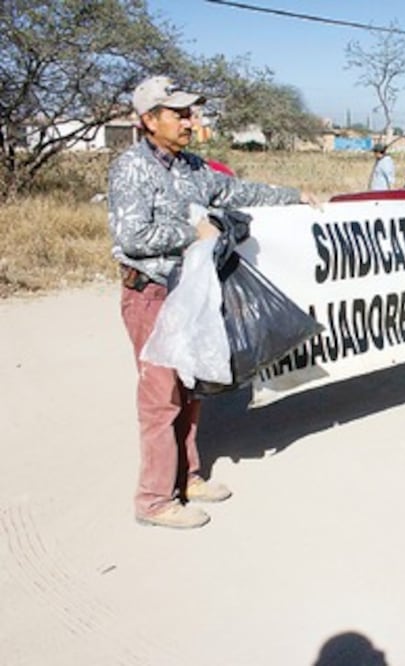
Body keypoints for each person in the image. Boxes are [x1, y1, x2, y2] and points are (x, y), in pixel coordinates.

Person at [107, 75, 317, 529]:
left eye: (190, 113)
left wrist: (293, 197)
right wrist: (194, 232)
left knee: (191, 388)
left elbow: (237, 192)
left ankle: (188, 477)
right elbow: (132, 236)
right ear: (150, 120)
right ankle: (154, 500)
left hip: (190, 292)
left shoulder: (191, 167)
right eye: (179, 114)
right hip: (151, 293)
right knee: (162, 396)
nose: (189, 121)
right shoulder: (131, 167)